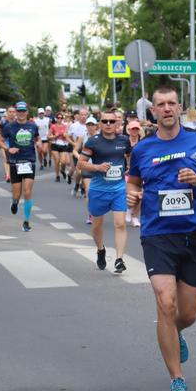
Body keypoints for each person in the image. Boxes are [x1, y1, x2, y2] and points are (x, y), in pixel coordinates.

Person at [126, 85, 196, 391]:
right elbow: (133, 181)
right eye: (161, 104)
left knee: (187, 313)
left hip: (194, 234)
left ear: (179, 108)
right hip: (157, 234)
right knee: (166, 302)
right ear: (153, 111)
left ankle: (174, 332)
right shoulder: (143, 149)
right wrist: (132, 197)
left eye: (172, 103)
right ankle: (177, 379)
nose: (168, 108)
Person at [77, 110, 132, 274]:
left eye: (111, 121)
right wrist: (97, 167)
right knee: (96, 226)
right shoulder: (93, 142)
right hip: (98, 189)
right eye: (105, 121)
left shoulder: (124, 140)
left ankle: (119, 259)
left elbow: (129, 157)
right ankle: (101, 249)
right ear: (100, 124)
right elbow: (80, 163)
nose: (108, 124)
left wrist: (129, 167)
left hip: (118, 188)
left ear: (117, 124)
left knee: (120, 224)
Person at [0, 101, 40, 232]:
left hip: (29, 161)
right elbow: (0, 140)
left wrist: (38, 143)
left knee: (27, 192)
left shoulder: (33, 126)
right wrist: (8, 148)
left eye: (23, 111)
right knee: (17, 194)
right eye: (19, 111)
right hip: (15, 162)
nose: (21, 113)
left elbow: (37, 138)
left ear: (27, 112)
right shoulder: (9, 127)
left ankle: (26, 222)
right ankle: (15, 202)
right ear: (16, 112)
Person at [75, 116, 99, 223]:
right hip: (86, 166)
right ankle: (91, 215)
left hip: (99, 168)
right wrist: (81, 158)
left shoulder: (101, 137)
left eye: (92, 125)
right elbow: (75, 150)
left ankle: (97, 212)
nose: (90, 127)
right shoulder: (82, 137)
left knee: (99, 192)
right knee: (90, 192)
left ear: (96, 126)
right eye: (88, 125)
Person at [125, 120, 144, 227]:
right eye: (133, 129)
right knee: (130, 194)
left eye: (137, 129)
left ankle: (135, 217)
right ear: (129, 130)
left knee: (139, 195)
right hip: (126, 171)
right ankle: (128, 209)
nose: (135, 131)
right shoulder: (124, 142)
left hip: (139, 171)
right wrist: (127, 166)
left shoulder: (142, 143)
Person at [49, 113, 69, 182]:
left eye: (61, 118)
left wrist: (65, 135)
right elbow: (48, 136)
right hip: (55, 144)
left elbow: (67, 136)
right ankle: (57, 176)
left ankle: (62, 170)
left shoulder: (65, 126)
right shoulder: (53, 126)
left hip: (63, 145)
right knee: (57, 161)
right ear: (56, 118)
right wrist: (55, 136)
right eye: (58, 118)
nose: (59, 119)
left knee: (63, 162)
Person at [0, 105, 16, 183]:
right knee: (6, 159)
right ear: (7, 113)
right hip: (5, 143)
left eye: (13, 112)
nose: (12, 113)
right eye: (10, 112)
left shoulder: (18, 121)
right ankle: (8, 175)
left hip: (15, 143)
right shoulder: (3, 121)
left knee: (14, 160)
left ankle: (14, 173)